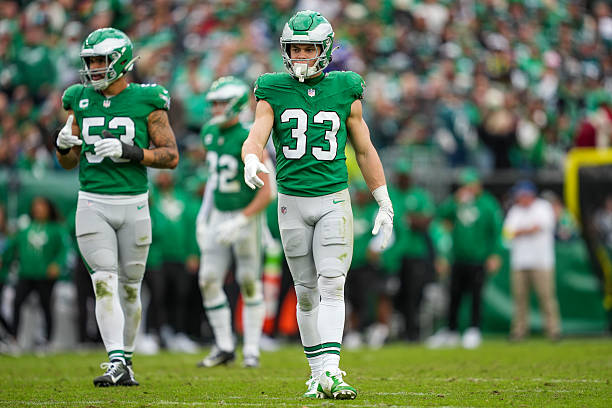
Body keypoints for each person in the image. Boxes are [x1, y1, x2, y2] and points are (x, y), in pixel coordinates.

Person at [241, 10, 394, 400]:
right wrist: (251, 157)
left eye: (308, 48)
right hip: (291, 202)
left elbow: (364, 148)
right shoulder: (271, 88)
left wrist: (383, 199)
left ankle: (331, 370)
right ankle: (316, 373)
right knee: (306, 292)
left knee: (332, 282)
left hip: (332, 199)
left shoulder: (346, 87)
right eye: (294, 49)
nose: (301, 56)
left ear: (325, 50)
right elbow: (257, 133)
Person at [55, 27, 179, 387]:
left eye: (100, 60)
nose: (93, 67)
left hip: (134, 204)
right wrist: (64, 147)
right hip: (92, 201)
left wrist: (131, 152)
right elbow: (69, 161)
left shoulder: (147, 99)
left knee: (129, 287)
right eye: (89, 61)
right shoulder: (78, 98)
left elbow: (171, 157)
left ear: (121, 62)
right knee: (104, 282)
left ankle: (126, 359)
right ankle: (115, 361)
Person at [196, 76, 272, 368]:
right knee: (208, 280)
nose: (215, 109)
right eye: (212, 103)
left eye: (220, 103)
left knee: (249, 282)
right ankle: (225, 346)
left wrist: (242, 219)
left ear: (237, 105)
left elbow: (268, 191)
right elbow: (214, 181)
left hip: (246, 216)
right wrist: (204, 217)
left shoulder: (249, 135)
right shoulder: (209, 133)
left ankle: (251, 348)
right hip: (218, 214)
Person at [428, 168, 502, 349]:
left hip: (478, 258)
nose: (467, 188)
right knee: (454, 295)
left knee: (476, 296)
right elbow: (441, 216)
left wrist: (495, 254)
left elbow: (497, 231)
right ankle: (451, 330)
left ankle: (474, 329)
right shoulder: (458, 203)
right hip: (458, 257)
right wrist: (454, 201)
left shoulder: (488, 204)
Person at [2, 197, 68, 349]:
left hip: (45, 275)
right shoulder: (25, 229)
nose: (38, 209)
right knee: (17, 302)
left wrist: (57, 264)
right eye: (36, 206)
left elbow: (64, 250)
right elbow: (12, 247)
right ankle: (14, 338)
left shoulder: (56, 229)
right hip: (26, 274)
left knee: (46, 306)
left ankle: (47, 340)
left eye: (42, 206)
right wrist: (4, 259)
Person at [503, 180, 560, 341]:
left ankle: (553, 330)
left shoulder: (542, 207)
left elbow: (539, 227)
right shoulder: (515, 211)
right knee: (519, 299)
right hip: (520, 262)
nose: (519, 198)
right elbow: (508, 233)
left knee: (546, 297)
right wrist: (525, 231)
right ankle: (519, 331)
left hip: (541, 262)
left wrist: (521, 231)